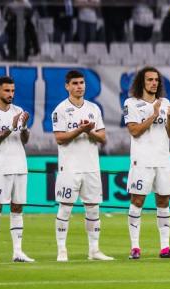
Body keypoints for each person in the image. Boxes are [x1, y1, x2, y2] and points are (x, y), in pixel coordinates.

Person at [52, 70, 114, 262]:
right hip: (69, 167)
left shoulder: (94, 108)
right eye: (75, 83)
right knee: (65, 208)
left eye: (82, 83)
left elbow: (102, 137)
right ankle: (62, 249)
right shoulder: (60, 110)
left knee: (93, 208)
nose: (80, 86)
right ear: (67, 86)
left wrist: (90, 132)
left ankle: (94, 250)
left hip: (91, 166)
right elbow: (60, 138)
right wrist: (80, 129)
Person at [123, 66, 170, 259]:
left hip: (163, 159)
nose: (154, 83)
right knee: (137, 200)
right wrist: (153, 116)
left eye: (156, 80)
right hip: (142, 160)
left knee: (163, 201)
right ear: (142, 82)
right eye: (149, 80)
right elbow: (134, 131)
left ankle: (165, 248)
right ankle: (135, 247)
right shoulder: (131, 103)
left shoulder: (164, 103)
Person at [0, 76, 34, 263]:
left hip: (19, 164)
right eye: (7, 90)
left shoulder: (18, 111)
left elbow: (25, 140)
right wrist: (12, 127)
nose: (11, 94)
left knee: (17, 207)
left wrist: (24, 126)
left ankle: (17, 252)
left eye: (12, 90)